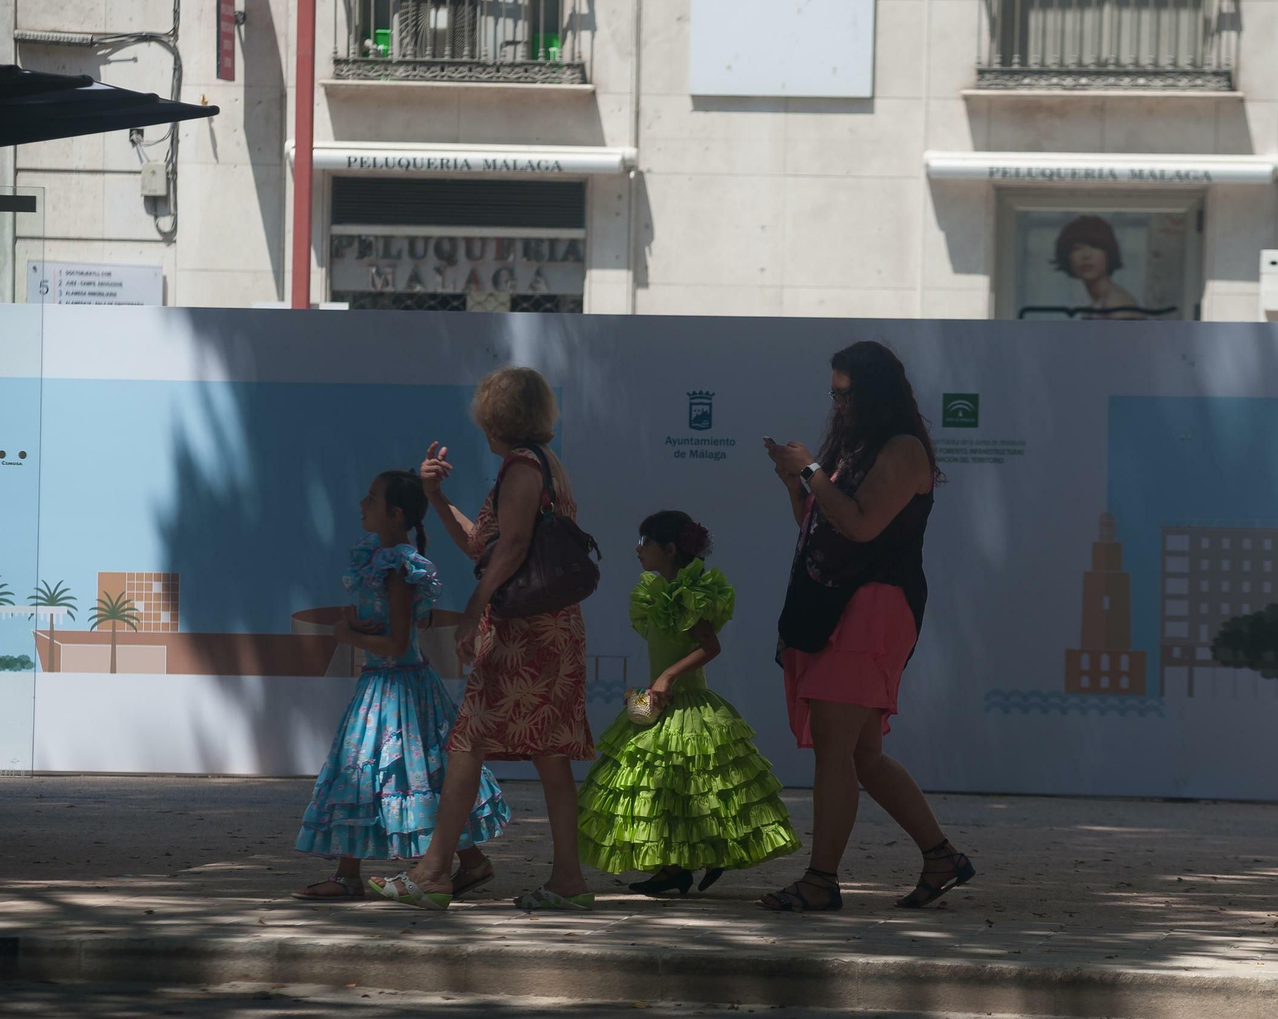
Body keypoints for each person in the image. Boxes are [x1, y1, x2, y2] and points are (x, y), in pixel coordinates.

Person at [761, 341, 975, 913]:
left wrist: (809, 468)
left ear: (874, 390)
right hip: (842, 602)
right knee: (863, 756)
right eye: (833, 393)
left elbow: (859, 526)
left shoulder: (904, 450)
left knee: (834, 747)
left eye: (846, 393)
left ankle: (820, 881)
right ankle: (941, 856)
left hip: (876, 607)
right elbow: (823, 523)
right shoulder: (856, 445)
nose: (838, 403)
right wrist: (795, 483)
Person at [383, 366, 598, 912]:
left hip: (523, 634)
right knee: (550, 756)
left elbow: (512, 546)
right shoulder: (544, 465)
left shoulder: (522, 467)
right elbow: (484, 542)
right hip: (553, 627)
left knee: (468, 741)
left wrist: (473, 609)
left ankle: (433, 871)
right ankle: (568, 880)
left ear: (497, 418)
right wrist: (436, 495)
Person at [293, 470, 510, 904]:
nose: (361, 504)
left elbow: (396, 642)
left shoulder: (397, 568)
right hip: (386, 683)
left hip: (399, 687)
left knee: (399, 772)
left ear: (395, 513)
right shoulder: (378, 558)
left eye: (371, 499)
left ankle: (357, 874)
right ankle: (464, 863)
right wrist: (357, 626)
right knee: (394, 773)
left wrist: (347, 635)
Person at [576, 512, 800, 896]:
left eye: (644, 541)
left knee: (698, 787)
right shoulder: (657, 590)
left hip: (687, 705)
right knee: (666, 788)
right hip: (661, 701)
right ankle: (672, 869)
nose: (637, 548)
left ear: (669, 549)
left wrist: (668, 676)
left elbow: (710, 647)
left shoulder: (687, 593)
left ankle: (697, 860)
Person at [1052, 214, 1145, 319]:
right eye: (1076, 248)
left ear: (1108, 253)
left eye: (1095, 246)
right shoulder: (1097, 304)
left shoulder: (1116, 303)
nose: (1086, 255)